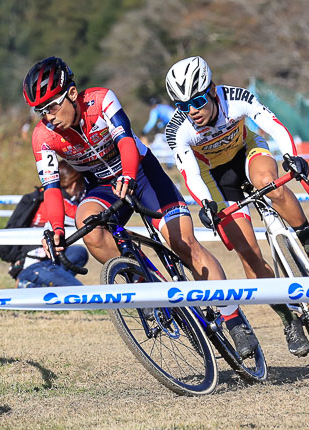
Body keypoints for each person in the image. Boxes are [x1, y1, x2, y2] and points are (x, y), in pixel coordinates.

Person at [22, 57, 260, 359]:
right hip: (101, 185)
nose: (48, 117)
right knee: (89, 227)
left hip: (142, 173)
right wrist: (55, 229)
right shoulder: (43, 137)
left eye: (52, 106)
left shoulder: (100, 100)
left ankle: (233, 318)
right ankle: (143, 289)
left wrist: (129, 175)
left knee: (182, 242)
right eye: (40, 111)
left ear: (71, 93)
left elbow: (126, 143)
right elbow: (52, 190)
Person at [163, 56, 309, 358]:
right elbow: (190, 173)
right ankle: (287, 318)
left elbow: (273, 125)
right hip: (215, 179)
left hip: (248, 152)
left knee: (271, 183)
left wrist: (290, 155)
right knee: (248, 252)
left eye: (199, 100)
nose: (193, 111)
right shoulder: (178, 131)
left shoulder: (236, 100)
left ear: (213, 91)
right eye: (183, 106)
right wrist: (205, 203)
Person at [0, 165, 89, 288]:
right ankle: (28, 285)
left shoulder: (46, 195)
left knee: (79, 252)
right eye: (81, 185)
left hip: (47, 259)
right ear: (74, 185)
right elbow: (85, 217)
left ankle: (39, 284)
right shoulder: (62, 202)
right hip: (34, 263)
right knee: (80, 293)